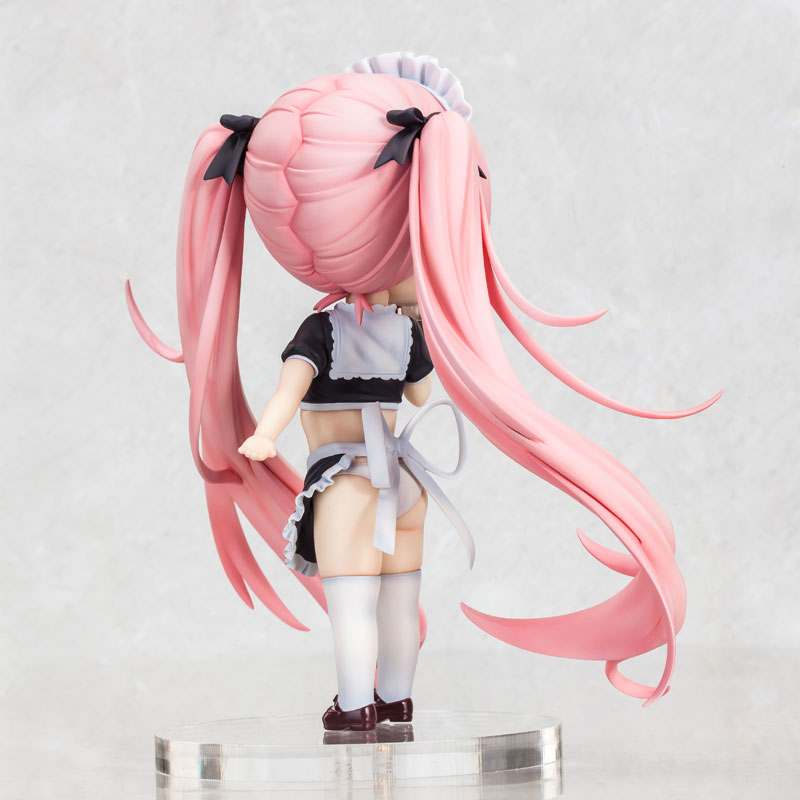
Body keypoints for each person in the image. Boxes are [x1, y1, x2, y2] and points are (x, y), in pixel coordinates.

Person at [127, 52, 721, 731]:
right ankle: (397, 697)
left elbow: (290, 392)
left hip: (347, 481)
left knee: (352, 603)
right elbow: (417, 396)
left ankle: (355, 705)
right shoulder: (406, 335)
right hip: (406, 481)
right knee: (399, 597)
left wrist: (264, 434)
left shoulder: (321, 332)